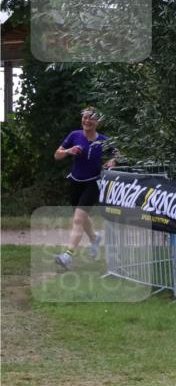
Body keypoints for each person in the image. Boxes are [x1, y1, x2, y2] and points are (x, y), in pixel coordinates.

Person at [53, 107, 117, 270]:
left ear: (98, 122)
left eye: (91, 118)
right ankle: (94, 238)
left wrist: (113, 162)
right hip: (75, 181)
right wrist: (68, 151)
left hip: (93, 183)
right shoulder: (74, 135)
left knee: (78, 218)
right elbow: (57, 155)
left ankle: (68, 255)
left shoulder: (103, 140)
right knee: (81, 216)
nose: (87, 121)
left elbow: (117, 154)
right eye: (85, 118)